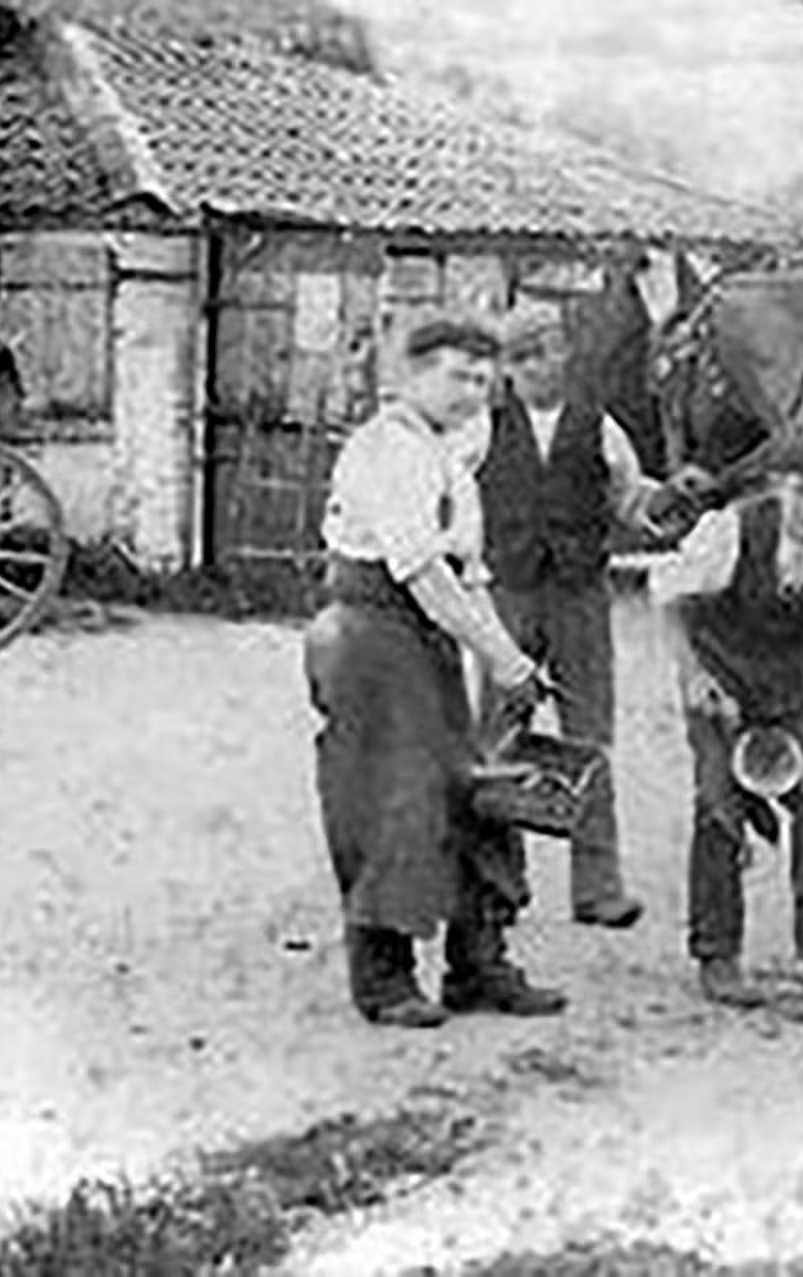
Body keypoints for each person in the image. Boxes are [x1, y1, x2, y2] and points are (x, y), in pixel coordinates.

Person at [303, 314, 568, 1030]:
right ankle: (383, 979)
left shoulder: (451, 454)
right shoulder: (386, 448)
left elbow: (467, 575)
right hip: (368, 634)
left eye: (484, 379)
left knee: (473, 789)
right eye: (457, 375)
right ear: (411, 376)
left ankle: (477, 965)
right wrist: (502, 656)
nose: (473, 391)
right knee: (391, 796)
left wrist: (514, 665)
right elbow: (421, 573)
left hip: (429, 638)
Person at [649, 432, 803, 1008]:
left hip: (802, 686)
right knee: (718, 804)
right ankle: (718, 955)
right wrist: (694, 676)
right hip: (724, 680)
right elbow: (667, 592)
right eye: (802, 493)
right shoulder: (731, 528)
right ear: (778, 486)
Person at [471, 303, 662, 930]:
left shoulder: (599, 426)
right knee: (498, 734)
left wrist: (667, 502)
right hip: (508, 591)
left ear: (565, 353)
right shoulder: (481, 428)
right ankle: (497, 884)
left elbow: (632, 499)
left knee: (589, 736)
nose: (534, 367)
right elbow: (453, 498)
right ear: (505, 368)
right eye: (519, 358)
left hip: (580, 594)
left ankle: (598, 888)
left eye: (544, 352)